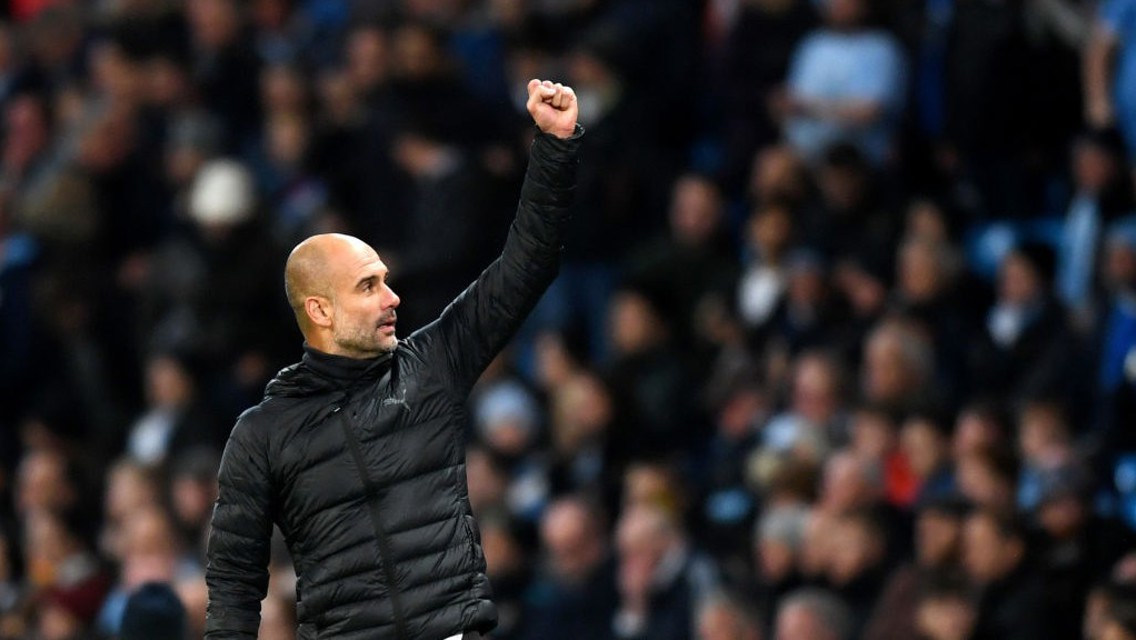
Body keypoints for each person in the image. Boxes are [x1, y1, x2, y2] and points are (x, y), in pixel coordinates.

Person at [204, 79, 581, 640]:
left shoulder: (432, 364)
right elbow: (234, 588)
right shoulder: (261, 436)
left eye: (385, 280)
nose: (392, 297)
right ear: (320, 310)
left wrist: (554, 147)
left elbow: (527, 264)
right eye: (368, 286)